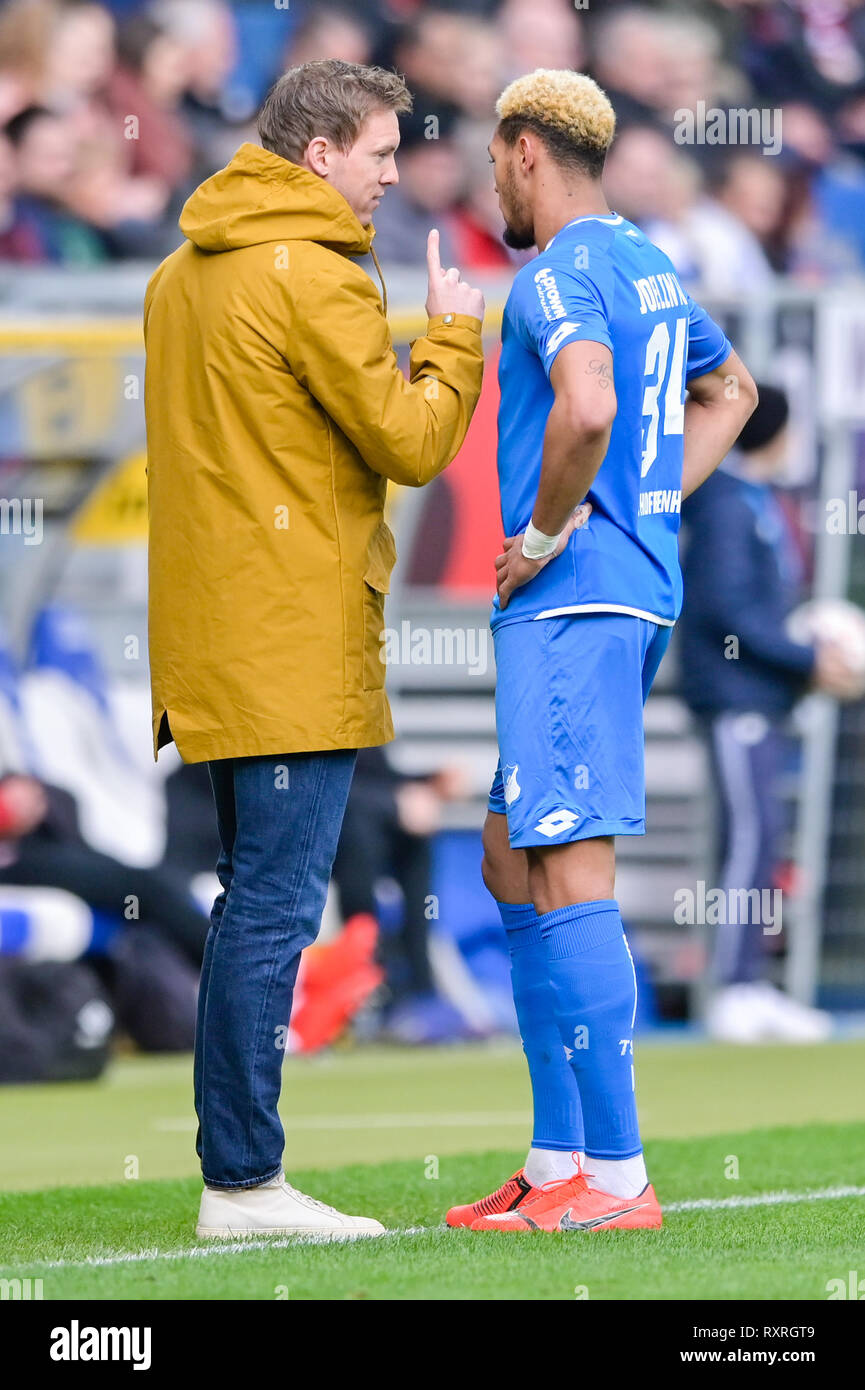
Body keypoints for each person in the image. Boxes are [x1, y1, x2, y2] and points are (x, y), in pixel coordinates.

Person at [144, 58, 485, 1240]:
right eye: (382, 152)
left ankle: (237, 1169)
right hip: (290, 636)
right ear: (319, 152)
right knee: (275, 909)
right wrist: (451, 338)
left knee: (254, 902)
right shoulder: (317, 273)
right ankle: (242, 1179)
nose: (395, 174)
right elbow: (409, 443)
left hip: (215, 630)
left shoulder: (180, 271)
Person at [448, 68, 758, 1235]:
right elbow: (733, 389)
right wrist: (648, 503)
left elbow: (582, 407)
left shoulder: (556, 273)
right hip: (619, 594)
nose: (491, 179)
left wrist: (543, 532)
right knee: (507, 855)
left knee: (568, 865)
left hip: (571, 602)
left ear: (525, 148)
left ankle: (619, 1182)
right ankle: (554, 1158)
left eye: (492, 158)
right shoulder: (651, 265)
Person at [678, 384, 859, 1041]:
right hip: (734, 700)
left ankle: (750, 982)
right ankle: (732, 988)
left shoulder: (752, 499)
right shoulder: (727, 504)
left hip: (757, 697)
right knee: (748, 840)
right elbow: (728, 611)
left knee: (758, 841)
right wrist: (806, 657)